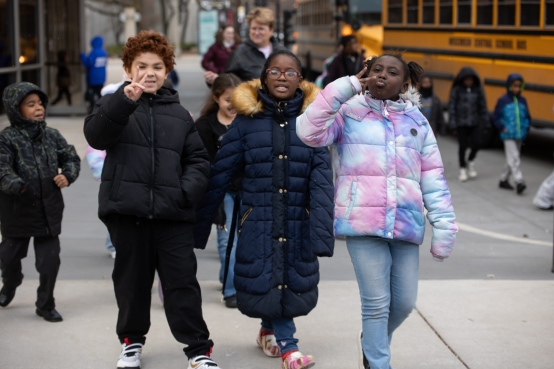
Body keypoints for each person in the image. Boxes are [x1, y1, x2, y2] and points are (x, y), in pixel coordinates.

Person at [296, 52, 458, 369]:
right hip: (362, 223)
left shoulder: (417, 122)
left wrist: (444, 226)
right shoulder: (348, 113)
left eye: (392, 72)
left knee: (404, 303)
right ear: (366, 74)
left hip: (406, 225)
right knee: (376, 304)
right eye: (376, 69)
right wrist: (348, 85)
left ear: (406, 81)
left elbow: (433, 178)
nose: (383, 75)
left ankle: (373, 344)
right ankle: (378, 362)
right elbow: (308, 131)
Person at [83, 30, 221, 369]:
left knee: (182, 284)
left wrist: (184, 193)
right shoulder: (114, 105)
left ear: (167, 70)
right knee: (132, 285)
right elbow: (96, 136)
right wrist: (123, 102)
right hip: (127, 213)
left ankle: (197, 349)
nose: (149, 73)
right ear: (128, 69)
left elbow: (198, 161)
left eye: (157, 67)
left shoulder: (179, 115)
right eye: (141, 66)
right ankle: (131, 342)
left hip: (172, 217)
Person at [195, 50, 335, 369]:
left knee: (285, 279)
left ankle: (269, 332)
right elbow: (220, 174)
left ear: (301, 79)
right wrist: (200, 225)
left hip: (298, 221)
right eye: (275, 71)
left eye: (290, 72)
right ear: (263, 77)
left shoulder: (313, 124)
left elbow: (323, 184)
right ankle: (289, 346)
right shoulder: (246, 124)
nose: (282, 77)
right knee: (269, 277)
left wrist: (322, 234)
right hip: (258, 220)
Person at [0, 82, 81, 322]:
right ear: (16, 109)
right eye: (30, 104)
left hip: (48, 209)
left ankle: (45, 304)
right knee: (9, 257)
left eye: (40, 103)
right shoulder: (7, 138)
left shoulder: (52, 135)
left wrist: (67, 174)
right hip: (17, 210)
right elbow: (1, 168)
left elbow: (71, 157)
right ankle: (11, 282)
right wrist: (16, 184)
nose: (38, 108)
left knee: (49, 263)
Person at [195, 73, 242, 308]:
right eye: (227, 100)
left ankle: (227, 277)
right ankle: (231, 289)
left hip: (246, 188)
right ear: (215, 98)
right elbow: (202, 162)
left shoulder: (248, 121)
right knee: (227, 240)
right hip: (220, 190)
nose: (231, 105)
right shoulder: (204, 126)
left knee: (243, 241)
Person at [220, 7, 287, 82]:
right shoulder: (240, 53)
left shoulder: (282, 52)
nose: (256, 33)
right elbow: (227, 83)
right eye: (253, 28)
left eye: (261, 29)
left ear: (271, 29)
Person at [448, 66, 489, 182]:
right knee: (463, 146)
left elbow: (483, 107)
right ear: (462, 80)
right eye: (466, 79)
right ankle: (462, 168)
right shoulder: (457, 90)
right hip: (461, 123)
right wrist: (453, 124)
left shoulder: (477, 90)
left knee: (477, 143)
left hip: (474, 122)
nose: (469, 82)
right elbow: (452, 107)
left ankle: (470, 161)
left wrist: (486, 123)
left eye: (471, 79)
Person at [492, 73, 531, 195]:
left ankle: (503, 179)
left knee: (511, 159)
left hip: (519, 134)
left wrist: (526, 128)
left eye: (519, 86)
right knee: (514, 158)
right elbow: (496, 116)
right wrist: (502, 127)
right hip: (508, 134)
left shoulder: (523, 100)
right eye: (514, 86)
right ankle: (519, 181)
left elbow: (527, 117)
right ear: (509, 86)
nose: (517, 89)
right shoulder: (503, 100)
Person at [80, 35, 108, 114]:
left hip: (93, 78)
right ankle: (101, 107)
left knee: (92, 94)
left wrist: (82, 56)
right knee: (100, 93)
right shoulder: (104, 52)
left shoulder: (93, 52)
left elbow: (88, 64)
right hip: (101, 78)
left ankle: (92, 108)